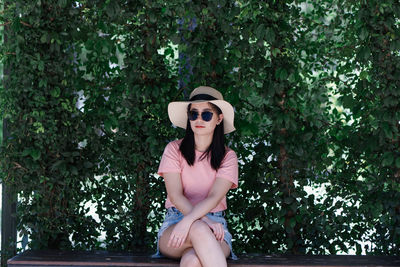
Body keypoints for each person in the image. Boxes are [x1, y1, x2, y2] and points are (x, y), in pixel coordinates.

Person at [154, 86, 238, 267]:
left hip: (216, 226)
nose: (199, 119)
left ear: (219, 118)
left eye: (206, 114)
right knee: (199, 228)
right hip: (176, 223)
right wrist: (197, 220)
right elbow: (175, 195)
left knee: (192, 261)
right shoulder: (173, 150)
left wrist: (194, 220)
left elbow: (215, 196)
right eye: (194, 114)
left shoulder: (228, 156)